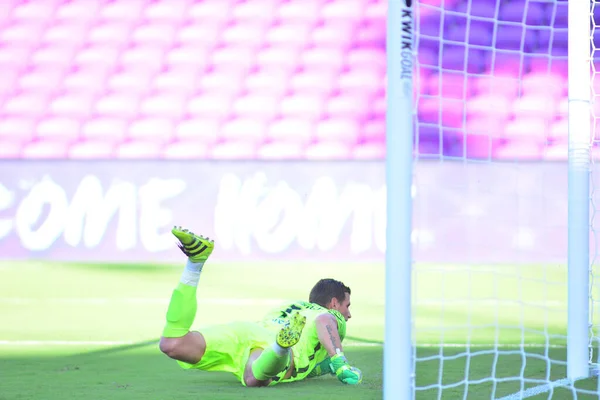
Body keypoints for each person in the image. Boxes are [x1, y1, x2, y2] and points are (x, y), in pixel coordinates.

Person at [159, 226, 363, 387]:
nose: (349, 314)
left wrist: (323, 367)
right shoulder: (330, 315)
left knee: (173, 344)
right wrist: (341, 365)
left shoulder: (290, 305)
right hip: (273, 349)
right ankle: (280, 347)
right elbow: (324, 320)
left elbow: (311, 364)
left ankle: (195, 262)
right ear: (334, 303)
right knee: (253, 378)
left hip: (247, 332)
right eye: (347, 306)